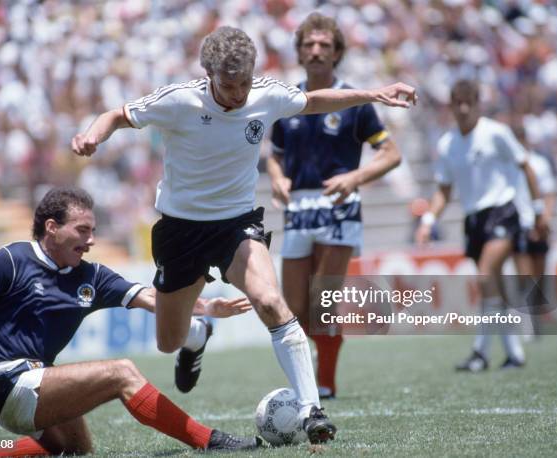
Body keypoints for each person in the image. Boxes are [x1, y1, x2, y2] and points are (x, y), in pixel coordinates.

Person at [72, 25, 417, 443]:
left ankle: (312, 411)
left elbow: (312, 101)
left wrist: (374, 93)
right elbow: (117, 115)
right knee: (169, 340)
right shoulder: (179, 100)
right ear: (209, 75)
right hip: (179, 229)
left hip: (236, 224)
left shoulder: (265, 94)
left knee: (271, 300)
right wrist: (94, 134)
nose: (238, 95)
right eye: (228, 85)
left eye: (244, 84)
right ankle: (199, 335)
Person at [0, 187, 260, 457]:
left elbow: (153, 298)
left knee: (76, 450)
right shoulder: (12, 259)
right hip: (8, 383)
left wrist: (203, 307)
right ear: (52, 227)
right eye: (83, 230)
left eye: (93, 231)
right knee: (121, 372)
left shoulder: (93, 276)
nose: (92, 240)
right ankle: (210, 440)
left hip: (40, 381)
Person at [266, 13, 402, 399]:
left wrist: (354, 178)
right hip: (298, 208)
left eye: (324, 45)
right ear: (299, 51)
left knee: (322, 299)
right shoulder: (286, 101)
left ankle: (324, 383)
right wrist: (277, 178)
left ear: (337, 52)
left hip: (339, 206)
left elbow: (391, 154)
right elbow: (273, 155)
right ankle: (306, 381)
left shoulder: (356, 102)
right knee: (291, 307)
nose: (316, 51)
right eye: (309, 44)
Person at [415, 80, 548, 371]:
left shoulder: (495, 133)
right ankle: (512, 353)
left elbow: (525, 166)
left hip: (503, 212)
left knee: (487, 274)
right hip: (474, 219)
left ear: (477, 104)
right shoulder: (448, 144)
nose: (463, 109)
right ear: (450, 106)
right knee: (494, 286)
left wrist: (538, 210)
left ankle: (481, 351)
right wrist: (428, 220)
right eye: (457, 103)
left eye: (468, 102)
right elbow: (444, 190)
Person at [511, 123, 556, 337]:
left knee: (538, 276)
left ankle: (536, 321)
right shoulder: (508, 165)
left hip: (538, 224)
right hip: (519, 225)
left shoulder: (538, 163)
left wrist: (544, 220)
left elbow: (548, 194)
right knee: (524, 275)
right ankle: (526, 323)